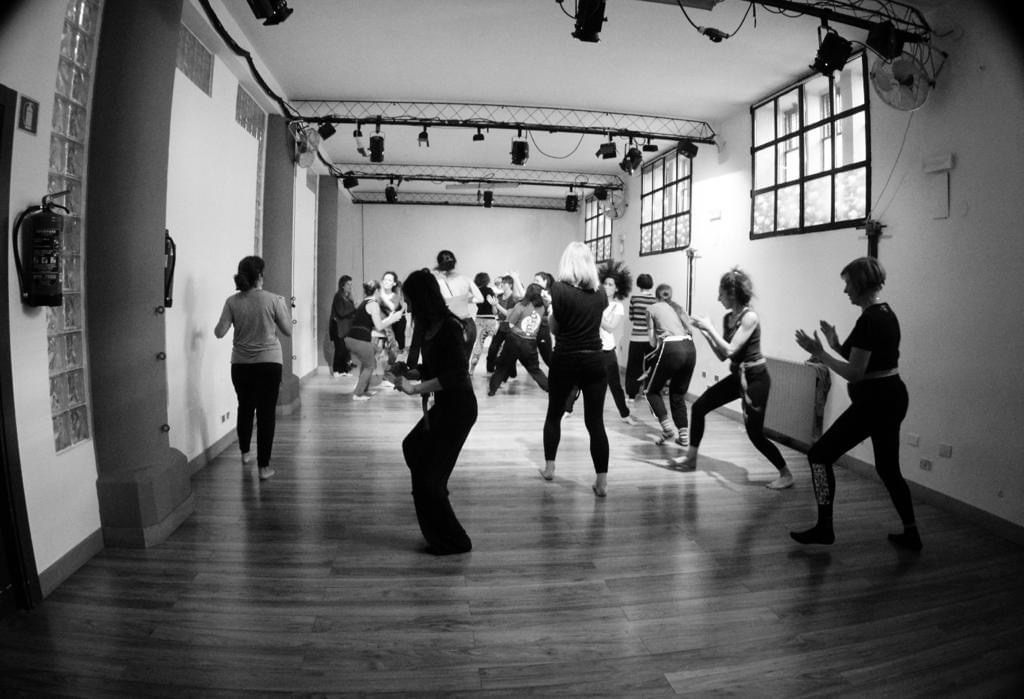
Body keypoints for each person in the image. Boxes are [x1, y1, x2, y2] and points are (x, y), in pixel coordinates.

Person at [791, 257, 921, 550]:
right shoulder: (885, 313)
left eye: (848, 283)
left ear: (860, 284)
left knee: (819, 456)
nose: (845, 290)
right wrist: (835, 343)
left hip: (875, 403)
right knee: (888, 469)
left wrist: (820, 353)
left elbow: (855, 372)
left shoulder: (870, 320)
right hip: (890, 397)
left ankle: (824, 528)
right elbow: (863, 359)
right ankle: (911, 533)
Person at [682, 268, 794, 490]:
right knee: (699, 407)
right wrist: (705, 332)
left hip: (756, 380)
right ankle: (691, 458)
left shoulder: (749, 317)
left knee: (755, 434)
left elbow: (731, 349)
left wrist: (709, 327)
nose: (718, 298)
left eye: (721, 294)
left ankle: (786, 473)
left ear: (732, 294)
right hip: (738, 376)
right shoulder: (728, 318)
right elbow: (724, 355)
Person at [394, 269, 477, 555]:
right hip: (446, 406)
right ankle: (436, 497)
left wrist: (415, 389)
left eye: (410, 300)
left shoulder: (449, 327)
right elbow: (434, 368)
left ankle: (455, 541)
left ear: (422, 299)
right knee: (413, 447)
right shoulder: (429, 327)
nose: (408, 307)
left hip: (460, 409)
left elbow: (456, 374)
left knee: (428, 479)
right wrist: (410, 372)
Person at [540, 242, 611, 496]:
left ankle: (550, 468)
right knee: (595, 422)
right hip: (595, 359)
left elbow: (555, 329)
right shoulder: (601, 294)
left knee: (554, 415)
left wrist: (551, 310)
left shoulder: (559, 290)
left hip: (566, 358)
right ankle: (601, 482)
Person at [214, 256, 292, 481]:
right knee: (266, 413)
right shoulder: (275, 299)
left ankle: (245, 453)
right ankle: (264, 467)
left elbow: (219, 332)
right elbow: (288, 330)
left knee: (245, 407)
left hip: (241, 365)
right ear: (260, 275)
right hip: (269, 363)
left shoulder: (232, 301)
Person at [642, 283, 697, 448]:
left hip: (671, 347)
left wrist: (660, 337)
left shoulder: (651, 308)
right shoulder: (677, 308)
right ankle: (684, 436)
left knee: (650, 391)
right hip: (690, 347)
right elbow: (691, 331)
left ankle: (667, 429)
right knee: (677, 393)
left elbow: (652, 343)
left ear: (656, 296)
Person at [344, 279, 403, 400]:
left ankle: (363, 390)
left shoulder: (364, 302)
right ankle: (358, 394)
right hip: (360, 340)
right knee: (369, 366)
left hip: (352, 339)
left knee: (367, 363)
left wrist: (390, 318)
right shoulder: (373, 304)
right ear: (376, 291)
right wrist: (393, 318)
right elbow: (379, 326)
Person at [487, 283, 549, 395]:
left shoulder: (521, 306)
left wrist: (496, 306)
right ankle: (551, 390)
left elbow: (510, 324)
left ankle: (492, 390)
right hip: (530, 343)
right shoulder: (542, 308)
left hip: (514, 340)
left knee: (501, 367)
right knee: (535, 370)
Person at [597, 261, 638, 425]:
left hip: (607, 349)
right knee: (578, 381)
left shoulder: (618, 306)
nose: (606, 287)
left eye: (610, 284)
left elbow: (610, 327)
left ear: (616, 288)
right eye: (605, 283)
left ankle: (625, 414)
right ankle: (567, 410)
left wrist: (596, 313)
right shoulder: (594, 301)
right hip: (591, 347)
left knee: (614, 384)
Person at [434, 250, 483, 360]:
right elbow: (480, 299)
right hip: (467, 323)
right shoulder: (465, 279)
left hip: (448, 324)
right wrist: (464, 300)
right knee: (464, 360)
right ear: (454, 262)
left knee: (448, 360)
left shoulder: (437, 282)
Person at [626, 273, 657, 401]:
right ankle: (647, 393)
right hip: (651, 339)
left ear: (639, 284)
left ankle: (632, 395)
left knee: (634, 366)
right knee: (651, 366)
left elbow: (631, 317)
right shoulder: (655, 300)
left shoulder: (634, 298)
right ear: (651, 284)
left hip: (636, 338)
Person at [469, 272, 498, 375]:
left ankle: (472, 370)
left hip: (479, 319)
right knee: (497, 344)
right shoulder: (490, 291)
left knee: (479, 345)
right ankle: (497, 367)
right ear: (487, 280)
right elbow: (495, 311)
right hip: (490, 320)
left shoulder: (476, 291)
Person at [329, 274, 355, 376]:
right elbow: (341, 312)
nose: (350, 286)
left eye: (351, 284)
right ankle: (336, 370)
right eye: (348, 284)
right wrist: (354, 308)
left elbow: (350, 313)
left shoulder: (348, 297)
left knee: (345, 350)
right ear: (342, 285)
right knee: (340, 349)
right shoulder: (338, 297)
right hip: (338, 328)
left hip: (346, 328)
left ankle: (344, 371)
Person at [533, 271, 555, 366]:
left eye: (537, 280)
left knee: (548, 357)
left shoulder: (549, 294)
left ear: (545, 281)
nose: (535, 282)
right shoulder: (536, 293)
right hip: (536, 329)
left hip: (544, 329)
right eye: (534, 280)